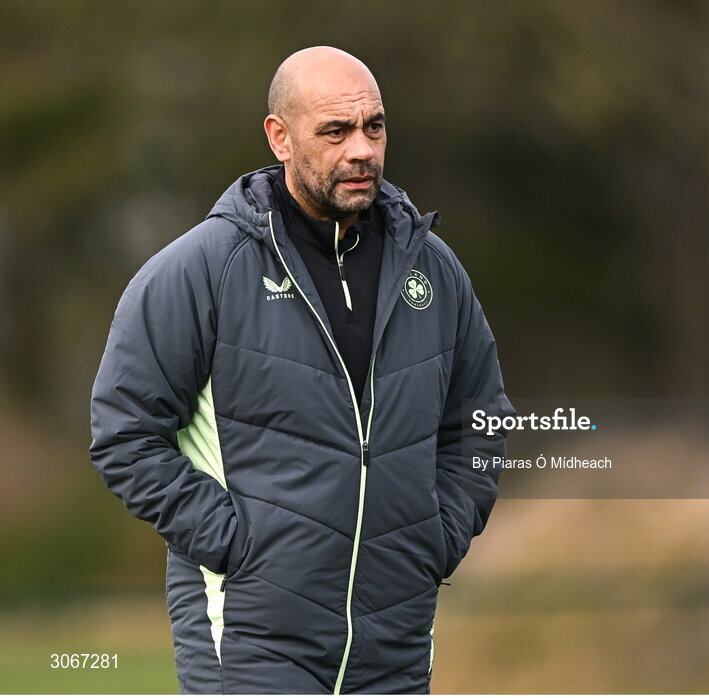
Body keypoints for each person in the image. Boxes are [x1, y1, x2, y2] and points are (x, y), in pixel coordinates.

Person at [89, 46, 514, 694]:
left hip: (396, 649)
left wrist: (440, 535)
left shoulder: (433, 269)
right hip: (252, 644)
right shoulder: (202, 271)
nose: (362, 151)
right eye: (336, 131)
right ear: (279, 137)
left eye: (373, 127)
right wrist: (238, 545)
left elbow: (480, 421)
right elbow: (124, 433)